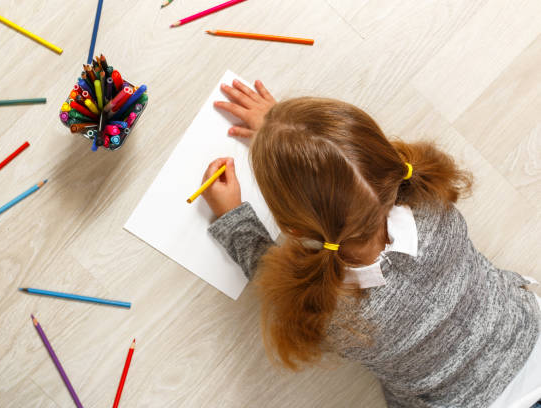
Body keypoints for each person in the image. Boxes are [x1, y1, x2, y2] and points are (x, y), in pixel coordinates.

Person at [199, 79, 541, 407]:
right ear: (388, 163)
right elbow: (355, 171)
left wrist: (234, 218)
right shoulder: (436, 207)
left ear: (290, 226)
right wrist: (286, 135)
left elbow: (272, 281)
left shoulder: (333, 313)